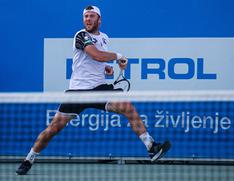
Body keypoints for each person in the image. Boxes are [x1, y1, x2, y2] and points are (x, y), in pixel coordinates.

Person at [16, 5, 171, 175]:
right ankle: (29, 158)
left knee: (128, 108)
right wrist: (118, 56)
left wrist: (106, 68)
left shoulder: (104, 38)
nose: (88, 19)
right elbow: (96, 54)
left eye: (91, 16)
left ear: (99, 19)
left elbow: (96, 60)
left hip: (99, 89)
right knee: (53, 128)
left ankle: (151, 146)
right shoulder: (81, 35)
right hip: (78, 92)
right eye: (86, 16)